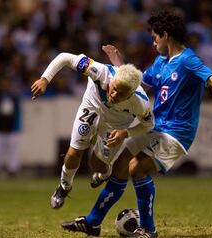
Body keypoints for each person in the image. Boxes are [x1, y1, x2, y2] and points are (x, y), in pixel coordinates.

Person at [60, 10, 212, 238]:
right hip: (156, 128)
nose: (153, 42)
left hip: (176, 133)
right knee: (121, 164)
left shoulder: (187, 60)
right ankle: (92, 222)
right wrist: (118, 63)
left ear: (165, 35)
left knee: (137, 168)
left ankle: (148, 229)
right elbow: (135, 86)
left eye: (155, 37)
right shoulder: (159, 63)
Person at [31, 50, 154, 210]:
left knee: (96, 165)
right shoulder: (101, 71)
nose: (114, 94)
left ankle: (105, 172)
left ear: (131, 94)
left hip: (116, 125)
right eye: (114, 88)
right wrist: (45, 79)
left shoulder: (141, 103)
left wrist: (126, 133)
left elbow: (148, 125)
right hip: (92, 108)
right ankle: (64, 187)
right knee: (74, 152)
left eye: (121, 94)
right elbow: (65, 57)